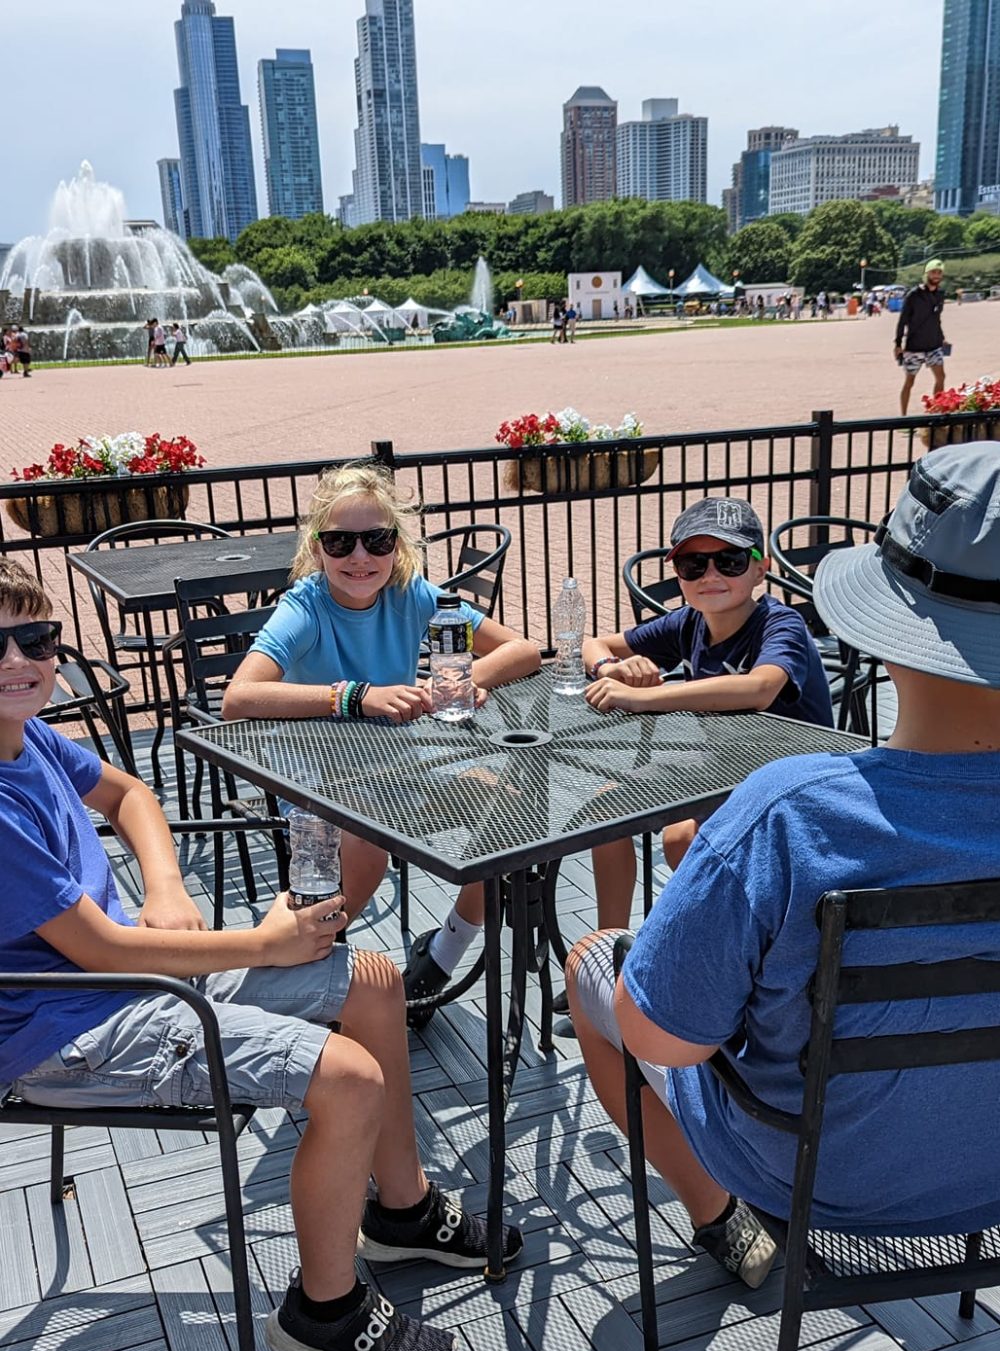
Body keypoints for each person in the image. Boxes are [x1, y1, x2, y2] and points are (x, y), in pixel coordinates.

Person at [0, 556, 523, 1351]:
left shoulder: (29, 739)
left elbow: (131, 793)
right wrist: (261, 946)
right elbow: (99, 952)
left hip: (133, 981)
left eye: (34, 637)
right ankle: (326, 1312)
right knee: (347, 1079)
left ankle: (402, 1208)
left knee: (376, 979)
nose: (18, 660)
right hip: (68, 1030)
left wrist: (168, 889)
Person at [567, 440, 1000, 1290]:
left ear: (894, 623)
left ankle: (719, 1216)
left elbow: (661, 1038)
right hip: (987, 1172)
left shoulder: (789, 815)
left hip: (816, 1170)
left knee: (594, 965)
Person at [222, 465, 541, 1025]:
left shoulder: (411, 595)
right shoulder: (307, 606)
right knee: (366, 840)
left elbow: (523, 651)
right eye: (341, 541)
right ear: (317, 547)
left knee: (511, 803)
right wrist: (353, 696)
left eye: (377, 540)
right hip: (322, 787)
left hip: (401, 773)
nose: (360, 557)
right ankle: (309, 986)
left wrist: (469, 678)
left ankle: (441, 956)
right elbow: (239, 698)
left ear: (398, 545)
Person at [580, 498, 833, 930]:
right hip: (724, 771)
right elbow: (593, 643)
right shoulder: (687, 622)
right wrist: (612, 668)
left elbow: (759, 687)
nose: (711, 575)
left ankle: (735, 935)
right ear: (678, 574)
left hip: (791, 785)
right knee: (608, 811)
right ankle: (611, 947)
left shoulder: (779, 623)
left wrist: (642, 697)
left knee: (686, 838)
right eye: (694, 564)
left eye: (730, 561)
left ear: (760, 568)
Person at [894, 258, 948, 416]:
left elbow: (936, 318)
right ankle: (903, 417)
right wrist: (898, 344)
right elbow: (902, 320)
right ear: (926, 274)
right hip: (914, 346)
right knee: (909, 382)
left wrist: (942, 337)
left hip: (934, 345)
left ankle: (936, 412)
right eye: (933, 272)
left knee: (941, 377)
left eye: (939, 272)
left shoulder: (940, 295)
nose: (936, 275)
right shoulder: (914, 295)